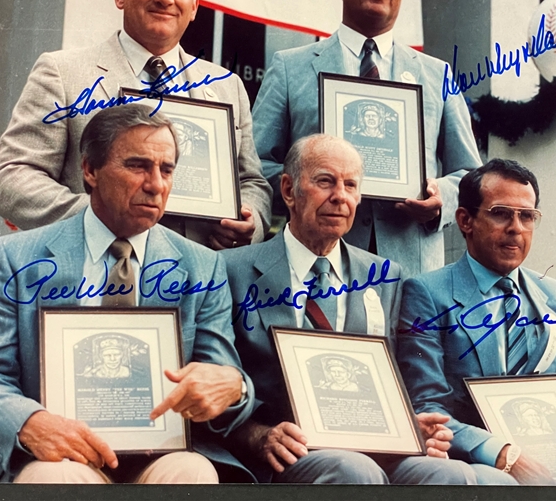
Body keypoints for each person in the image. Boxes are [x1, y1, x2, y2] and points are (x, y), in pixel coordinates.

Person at [0, 104, 254, 484]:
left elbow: (220, 376)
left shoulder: (203, 266)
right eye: (138, 166)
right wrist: (30, 423)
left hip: (162, 455)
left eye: (166, 169)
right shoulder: (18, 257)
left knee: (193, 473)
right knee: (54, 480)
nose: (156, 184)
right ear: (90, 170)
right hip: (60, 455)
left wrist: (232, 386)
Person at [220, 134, 513, 485]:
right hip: (282, 451)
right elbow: (216, 377)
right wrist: (256, 434)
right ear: (288, 190)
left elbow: (398, 382)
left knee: (450, 474)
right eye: (325, 181)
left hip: (373, 449)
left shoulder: (386, 277)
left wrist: (409, 426)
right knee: (353, 471)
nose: (340, 197)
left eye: (351, 185)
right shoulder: (229, 270)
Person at [0, 0, 271, 250]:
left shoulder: (228, 86)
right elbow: (10, 177)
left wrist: (249, 220)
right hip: (97, 275)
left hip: (201, 282)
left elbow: (253, 183)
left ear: (193, 7)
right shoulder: (62, 73)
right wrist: (97, 218)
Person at [396, 158, 556, 485]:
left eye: (527, 216)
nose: (516, 228)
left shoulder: (555, 296)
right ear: (465, 220)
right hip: (478, 462)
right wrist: (503, 454)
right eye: (501, 213)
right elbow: (428, 407)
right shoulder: (426, 294)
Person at [252, 0, 482, 277]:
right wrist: (305, 187)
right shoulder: (290, 67)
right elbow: (256, 164)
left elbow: (470, 174)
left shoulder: (437, 75)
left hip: (411, 270)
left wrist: (440, 199)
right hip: (315, 262)